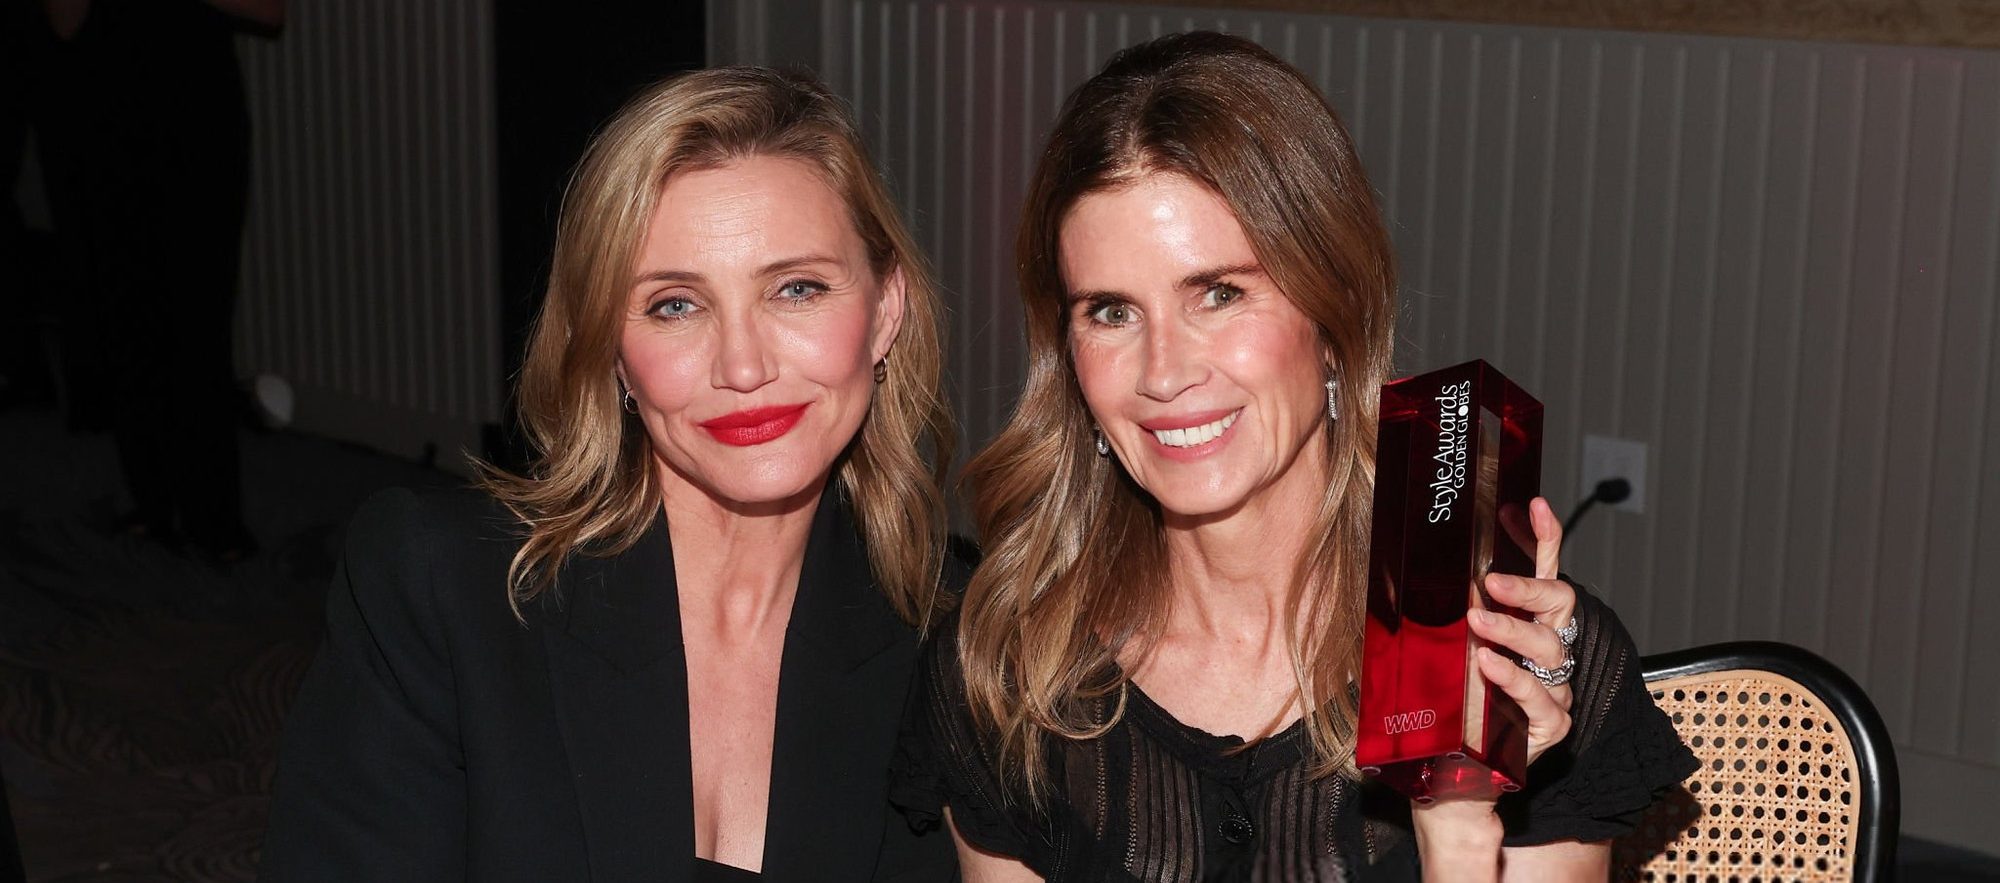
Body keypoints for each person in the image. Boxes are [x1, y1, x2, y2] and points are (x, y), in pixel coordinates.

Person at [892, 32, 1696, 882]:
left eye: (1220, 293)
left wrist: (1458, 824)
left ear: (1333, 315)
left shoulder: (1517, 663)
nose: (1163, 373)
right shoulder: (1005, 673)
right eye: (1112, 311)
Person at [261, 67, 959, 882]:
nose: (743, 366)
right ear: (614, 354)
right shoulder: (444, 592)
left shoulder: (961, 649)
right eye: (675, 305)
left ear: (884, 312)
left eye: (796, 289)